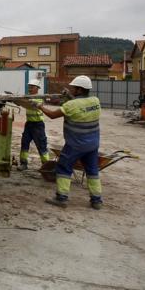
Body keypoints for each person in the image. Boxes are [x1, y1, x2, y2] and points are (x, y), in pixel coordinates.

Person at [35, 75, 103, 209]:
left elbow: (52, 115)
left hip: (75, 144)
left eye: (73, 88)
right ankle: (96, 200)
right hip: (92, 144)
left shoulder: (71, 105)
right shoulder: (95, 101)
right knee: (92, 171)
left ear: (79, 90)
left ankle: (61, 198)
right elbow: (80, 105)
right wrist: (69, 96)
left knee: (63, 167)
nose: (71, 90)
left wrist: (39, 106)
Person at [17, 79, 49, 171]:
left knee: (41, 145)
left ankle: (46, 166)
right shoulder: (28, 97)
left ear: (37, 88)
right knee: (24, 143)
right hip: (29, 124)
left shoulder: (40, 97)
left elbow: (33, 103)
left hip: (38, 125)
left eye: (32, 87)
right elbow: (24, 102)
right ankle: (23, 163)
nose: (30, 88)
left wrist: (23, 100)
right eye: (29, 86)